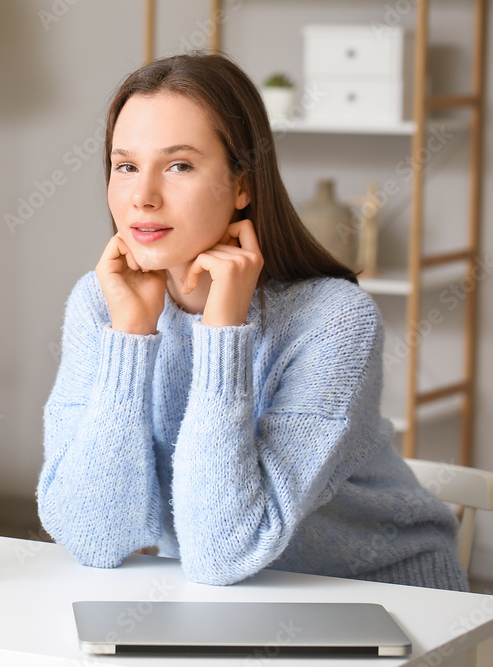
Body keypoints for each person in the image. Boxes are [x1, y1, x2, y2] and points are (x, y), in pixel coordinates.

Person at [36, 53, 468, 591]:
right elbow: (93, 538)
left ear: (242, 185)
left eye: (179, 165)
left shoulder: (335, 321)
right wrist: (131, 336)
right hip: (222, 603)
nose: (142, 196)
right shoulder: (102, 304)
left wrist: (224, 334)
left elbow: (224, 552)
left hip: (380, 596)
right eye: (125, 166)